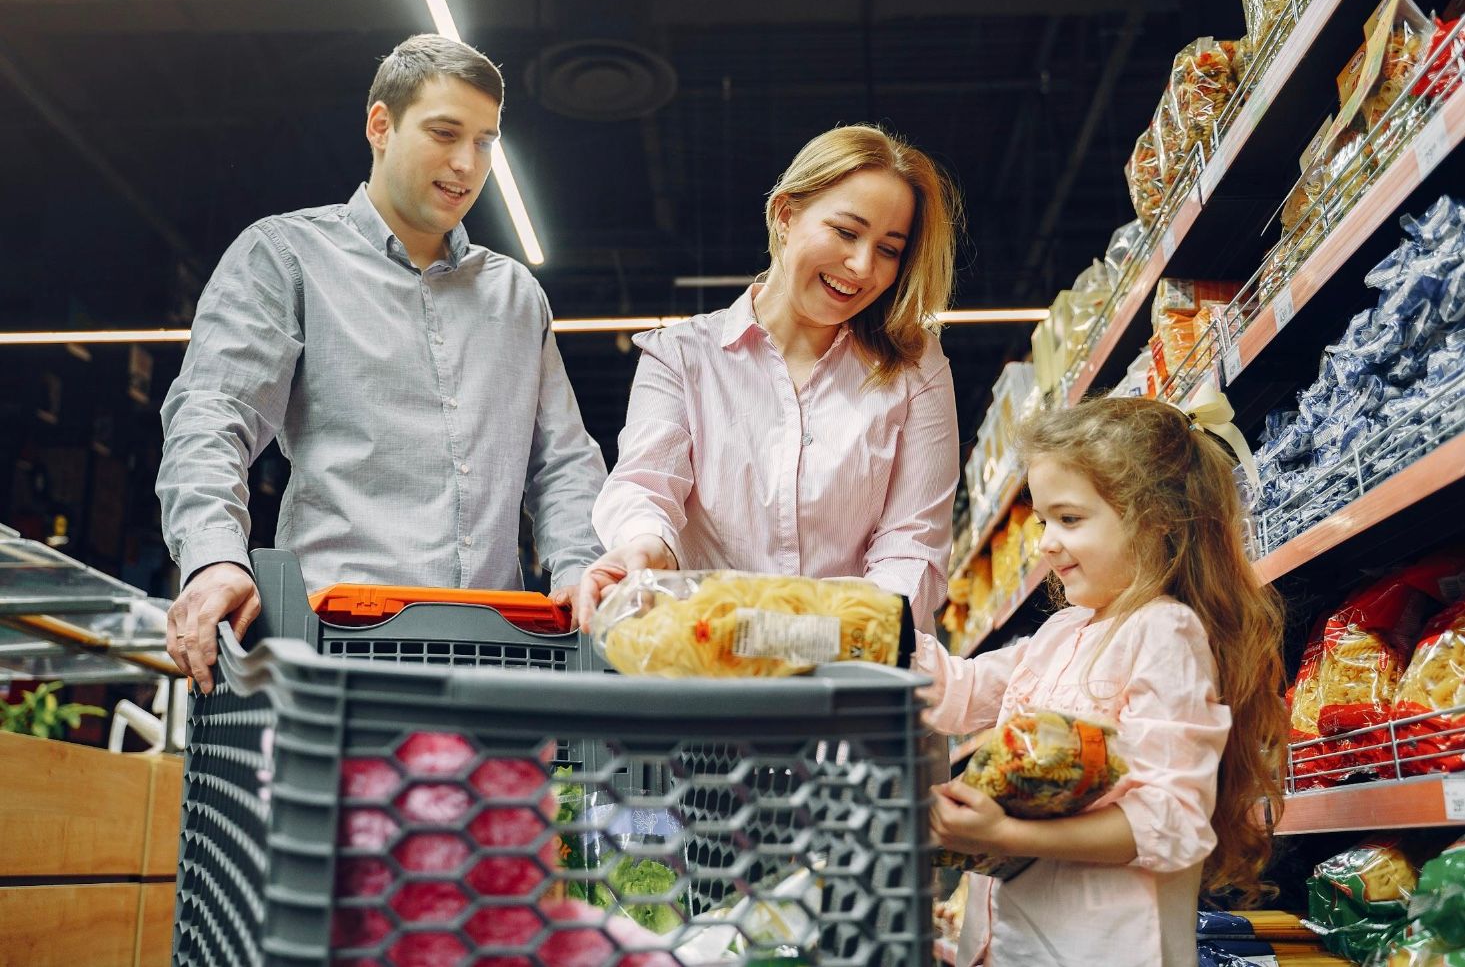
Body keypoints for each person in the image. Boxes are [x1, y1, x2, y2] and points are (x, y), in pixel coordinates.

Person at [158, 35, 606, 693]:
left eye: (485, 141)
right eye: (445, 132)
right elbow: (213, 415)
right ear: (380, 125)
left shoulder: (515, 297)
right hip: (334, 658)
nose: (466, 163)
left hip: (496, 663)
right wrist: (213, 559)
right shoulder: (287, 257)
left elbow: (562, 462)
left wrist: (580, 569)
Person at [921, 396, 1288, 967]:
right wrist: (863, 623)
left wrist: (1006, 837)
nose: (1044, 542)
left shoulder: (1165, 633)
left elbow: (1169, 821)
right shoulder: (1060, 634)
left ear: (1158, 520)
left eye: (1069, 519)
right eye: (1043, 520)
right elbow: (958, 692)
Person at [576, 124, 962, 634]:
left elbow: (913, 543)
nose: (863, 265)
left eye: (889, 249)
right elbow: (646, 484)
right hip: (711, 665)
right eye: (846, 232)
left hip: (855, 675)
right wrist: (645, 547)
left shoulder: (915, 367)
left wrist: (824, 635)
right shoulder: (682, 357)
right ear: (785, 215)